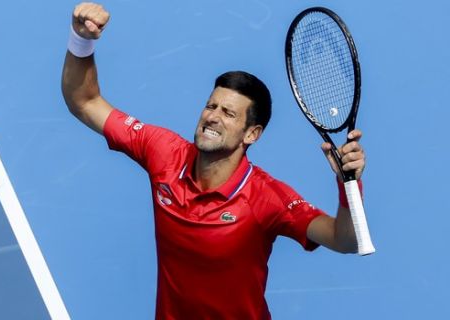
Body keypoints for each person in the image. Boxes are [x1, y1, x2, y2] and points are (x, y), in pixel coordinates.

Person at [62, 3, 367, 319]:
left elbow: (344, 240)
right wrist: (81, 40)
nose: (212, 118)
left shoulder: (267, 199)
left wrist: (348, 185)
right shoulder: (163, 152)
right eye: (211, 106)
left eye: (229, 113)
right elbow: (84, 101)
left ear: (252, 134)